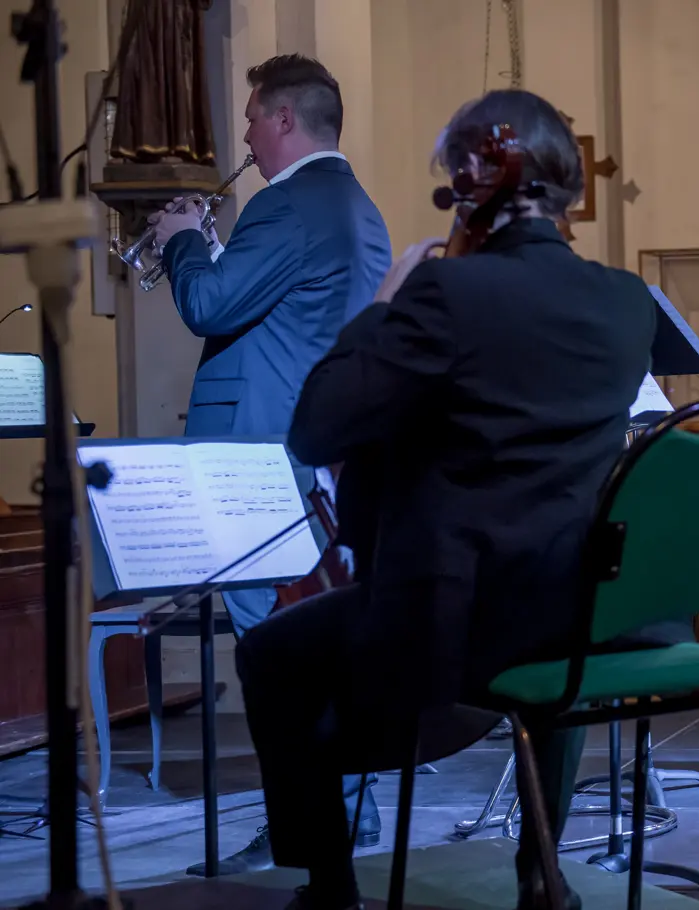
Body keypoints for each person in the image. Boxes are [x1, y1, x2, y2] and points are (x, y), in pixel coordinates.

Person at [235, 89, 656, 910]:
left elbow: (316, 430)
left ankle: (329, 887)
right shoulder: (625, 302)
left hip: (457, 626)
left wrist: (384, 303)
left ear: (471, 179)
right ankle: (541, 875)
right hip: (583, 615)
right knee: (540, 647)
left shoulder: (445, 295)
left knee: (271, 655)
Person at [148, 52, 392, 877]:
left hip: (258, 455)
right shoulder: (357, 207)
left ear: (284, 119)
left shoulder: (286, 203)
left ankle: (310, 828)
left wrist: (183, 242)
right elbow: (277, 308)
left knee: (275, 651)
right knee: (314, 641)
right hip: (314, 450)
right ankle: (346, 814)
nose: (246, 134)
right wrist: (216, 248)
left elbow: (207, 305)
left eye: (253, 117)